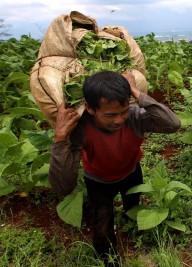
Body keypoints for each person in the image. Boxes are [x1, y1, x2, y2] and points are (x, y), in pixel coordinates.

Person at [48, 70, 181, 265]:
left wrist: (135, 92)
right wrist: (60, 138)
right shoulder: (81, 128)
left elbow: (173, 124)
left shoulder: (134, 117)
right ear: (90, 109)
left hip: (131, 172)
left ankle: (134, 233)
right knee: (102, 225)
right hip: (98, 181)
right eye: (110, 115)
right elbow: (62, 186)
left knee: (133, 207)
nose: (119, 120)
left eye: (123, 111)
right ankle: (108, 260)